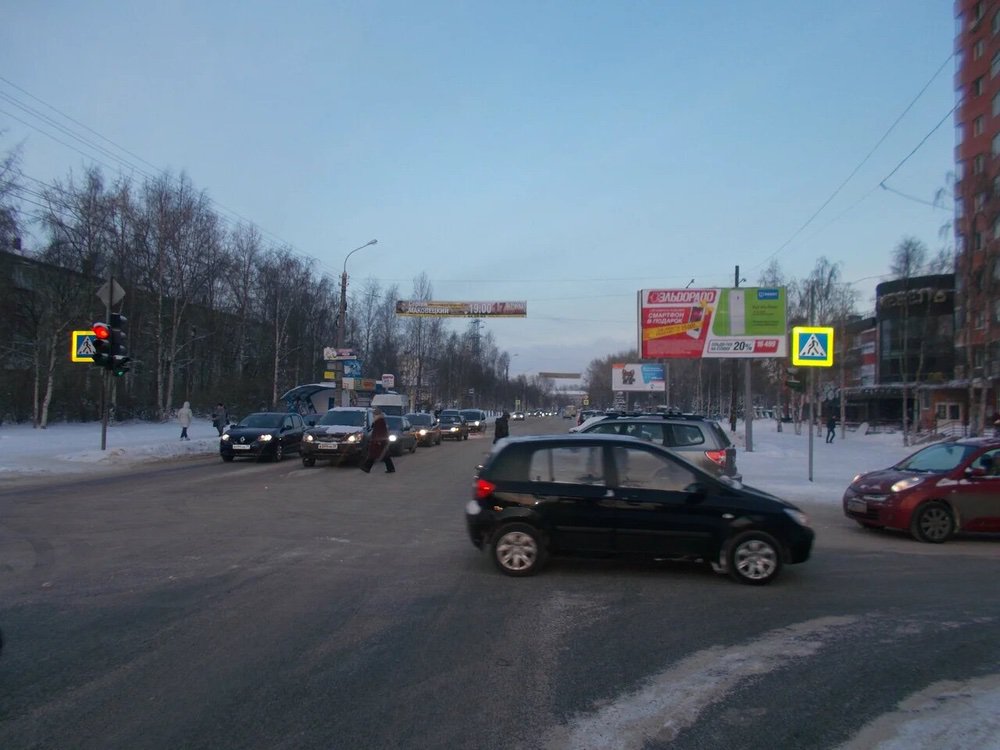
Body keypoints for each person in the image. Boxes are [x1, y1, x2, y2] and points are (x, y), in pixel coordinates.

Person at [361, 408, 395, 473]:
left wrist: (378, 441)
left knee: (373, 455)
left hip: (378, 441)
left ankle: (366, 468)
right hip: (380, 441)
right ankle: (391, 468)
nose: (373, 415)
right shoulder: (379, 420)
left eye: (374, 414)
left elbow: (379, 432)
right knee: (385, 456)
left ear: (377, 414)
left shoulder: (379, 421)